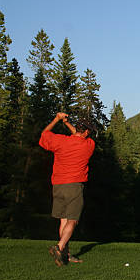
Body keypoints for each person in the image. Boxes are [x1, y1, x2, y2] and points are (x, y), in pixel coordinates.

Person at [39, 112, 95, 266]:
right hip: (74, 187)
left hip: (57, 186)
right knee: (72, 221)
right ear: (87, 132)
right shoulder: (89, 145)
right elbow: (79, 136)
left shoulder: (61, 141)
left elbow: (44, 134)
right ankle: (59, 247)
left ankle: (65, 255)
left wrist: (57, 120)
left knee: (63, 220)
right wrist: (66, 123)